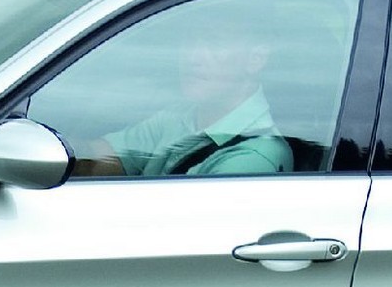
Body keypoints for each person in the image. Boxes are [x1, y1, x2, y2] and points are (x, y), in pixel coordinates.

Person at [71, 15, 293, 178]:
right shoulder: (182, 114)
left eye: (215, 42)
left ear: (256, 58)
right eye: (189, 40)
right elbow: (98, 160)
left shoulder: (251, 158)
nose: (192, 56)